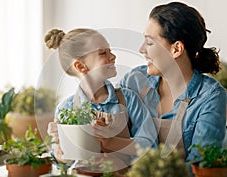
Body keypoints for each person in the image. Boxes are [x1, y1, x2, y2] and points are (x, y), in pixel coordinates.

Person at [118, 2, 227, 162]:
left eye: (149, 43)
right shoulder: (134, 80)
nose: (142, 49)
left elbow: (201, 165)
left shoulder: (210, 97)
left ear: (176, 49)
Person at [45, 28, 157, 168]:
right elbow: (63, 164)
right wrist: (60, 154)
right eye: (103, 53)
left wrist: (110, 141)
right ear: (80, 66)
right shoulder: (66, 109)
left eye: (110, 51)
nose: (113, 56)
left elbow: (150, 145)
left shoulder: (128, 99)